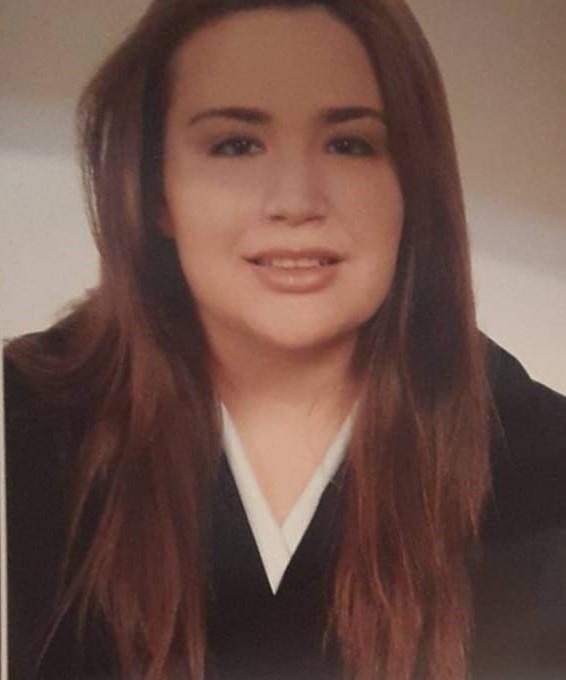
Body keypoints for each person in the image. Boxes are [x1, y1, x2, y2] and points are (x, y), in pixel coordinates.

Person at [4, 0, 566, 679]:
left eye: (348, 144)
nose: (296, 200)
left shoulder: (543, 461)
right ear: (155, 191)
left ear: (412, 186)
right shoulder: (23, 425)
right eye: (236, 145)